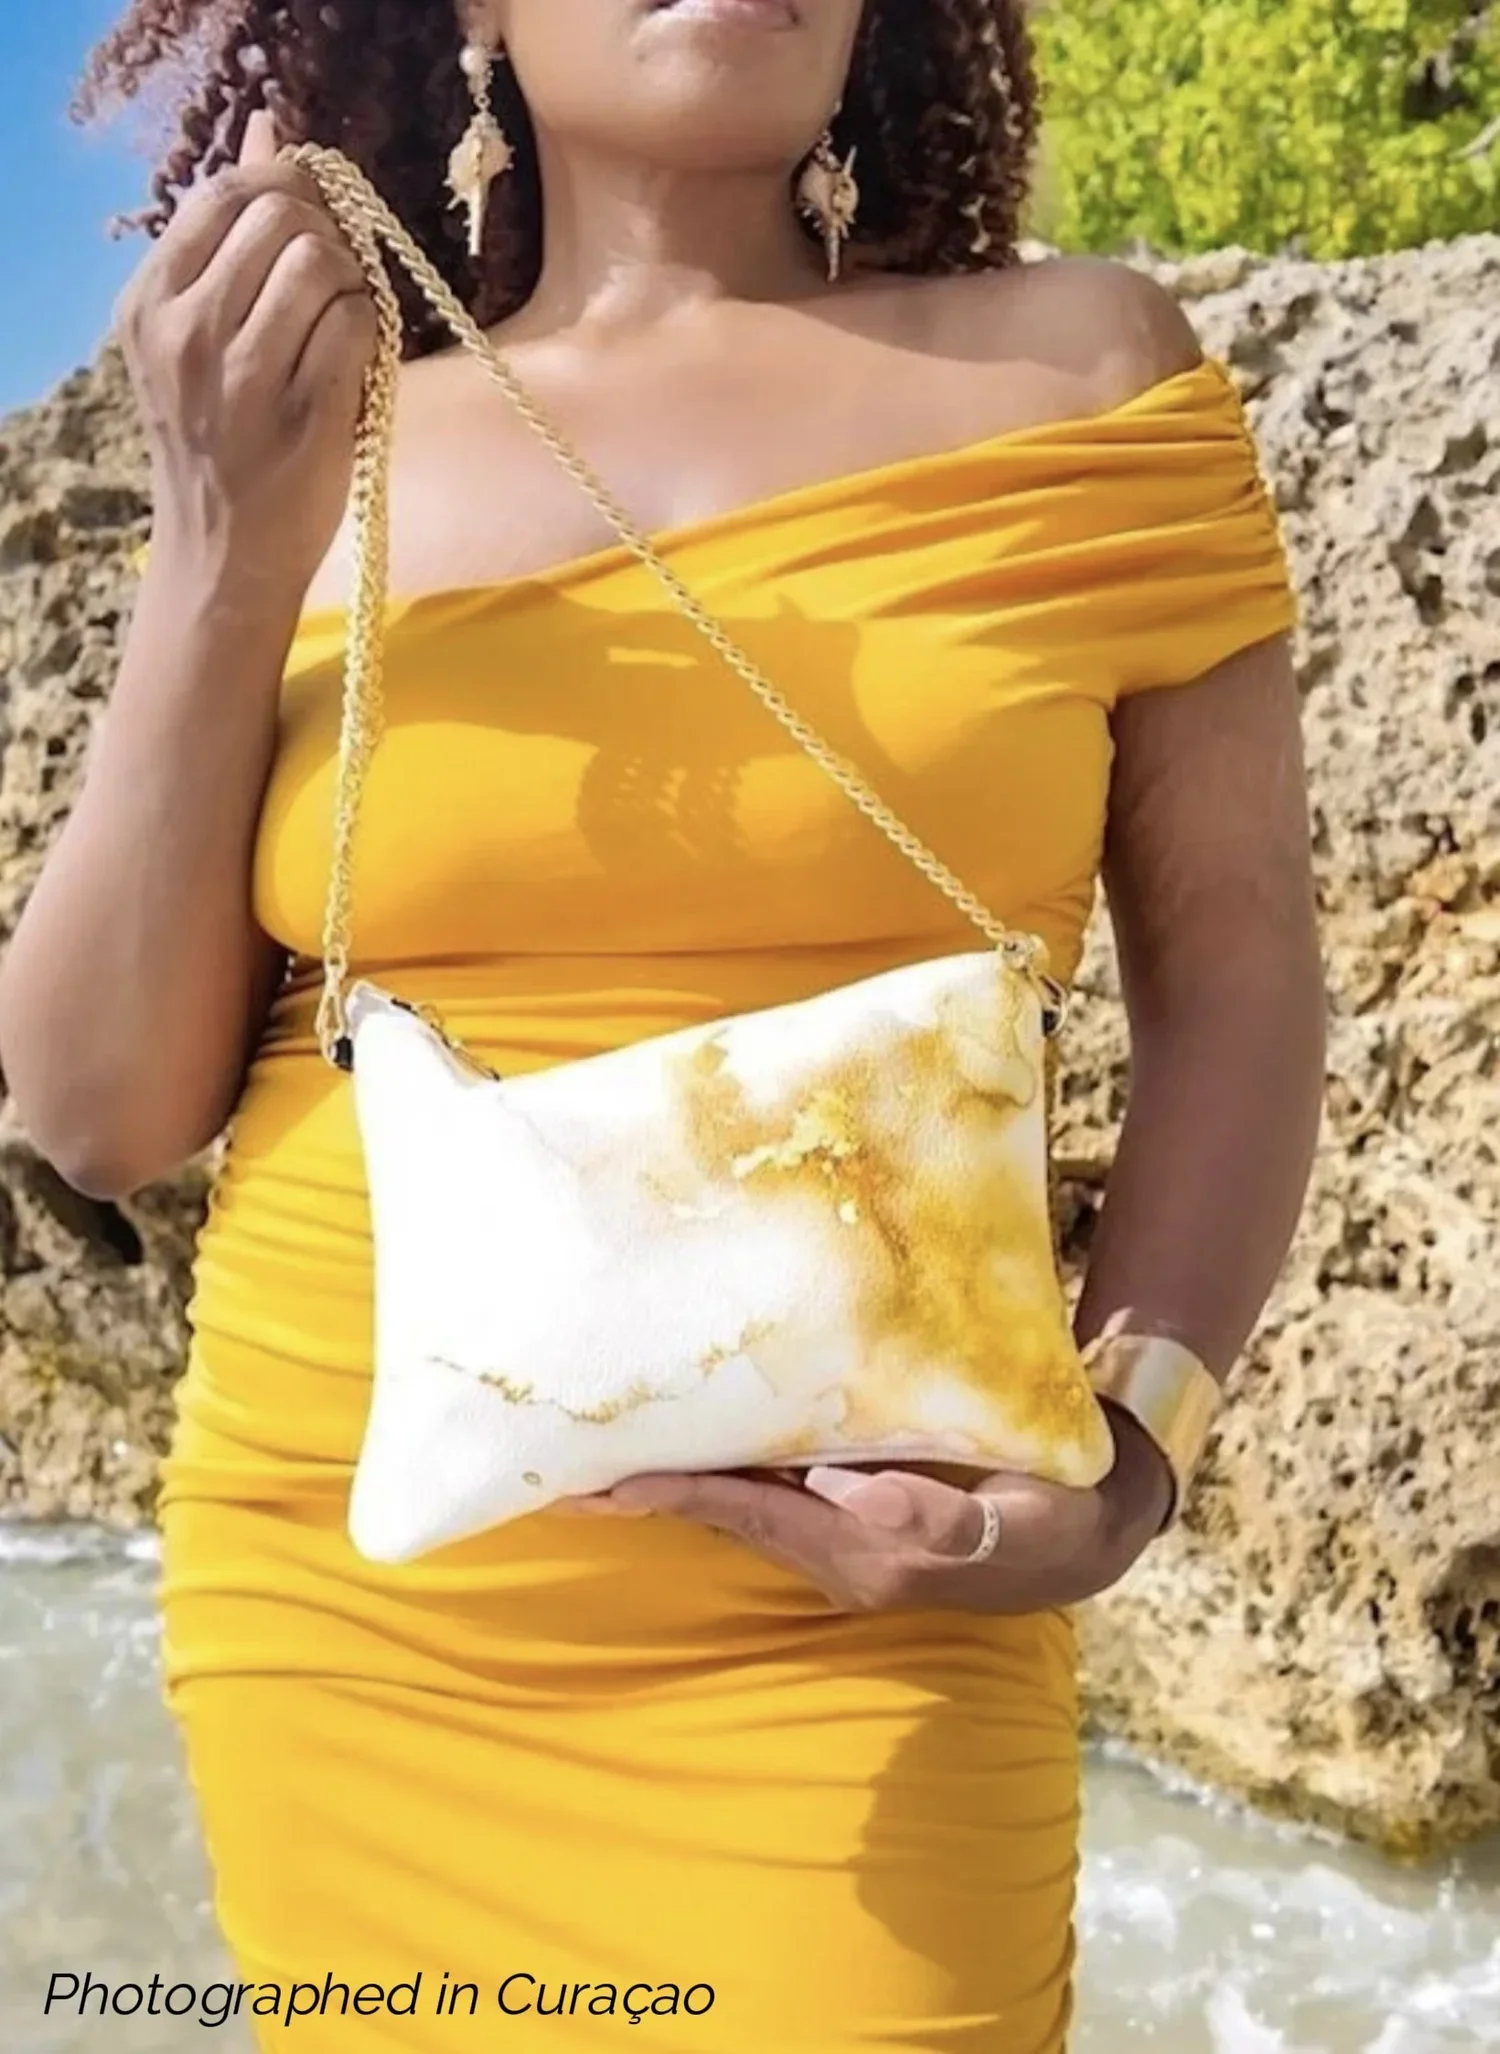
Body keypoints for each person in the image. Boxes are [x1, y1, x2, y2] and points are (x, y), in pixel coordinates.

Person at [0, 1, 1326, 2047]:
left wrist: (1134, 1455)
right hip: (360, 1613)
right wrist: (215, 556)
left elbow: (1237, 971)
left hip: (871, 1617)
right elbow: (95, 1107)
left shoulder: (1087, 371)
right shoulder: (326, 432)